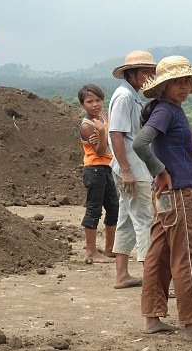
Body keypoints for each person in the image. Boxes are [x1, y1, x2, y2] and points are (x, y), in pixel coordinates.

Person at [133, 55, 192, 341]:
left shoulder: (169, 109)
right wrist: (160, 171)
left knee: (159, 254)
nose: (183, 86)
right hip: (176, 192)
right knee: (186, 253)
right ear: (163, 87)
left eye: (186, 80)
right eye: (176, 82)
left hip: (167, 195)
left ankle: (152, 317)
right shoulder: (167, 111)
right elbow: (139, 143)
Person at [107, 50, 157, 289]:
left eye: (151, 71)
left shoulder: (132, 95)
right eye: (144, 71)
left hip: (132, 168)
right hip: (132, 169)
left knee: (126, 220)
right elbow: (116, 133)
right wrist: (126, 170)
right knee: (146, 220)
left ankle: (122, 275)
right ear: (131, 72)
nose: (149, 75)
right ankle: (153, 281)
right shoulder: (125, 97)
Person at [77, 84, 118, 264]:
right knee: (94, 209)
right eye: (90, 101)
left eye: (98, 100)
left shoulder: (102, 120)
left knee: (113, 207)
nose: (95, 104)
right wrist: (101, 133)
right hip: (94, 169)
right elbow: (100, 151)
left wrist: (102, 132)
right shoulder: (88, 126)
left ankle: (110, 249)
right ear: (82, 104)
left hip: (106, 168)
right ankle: (91, 251)